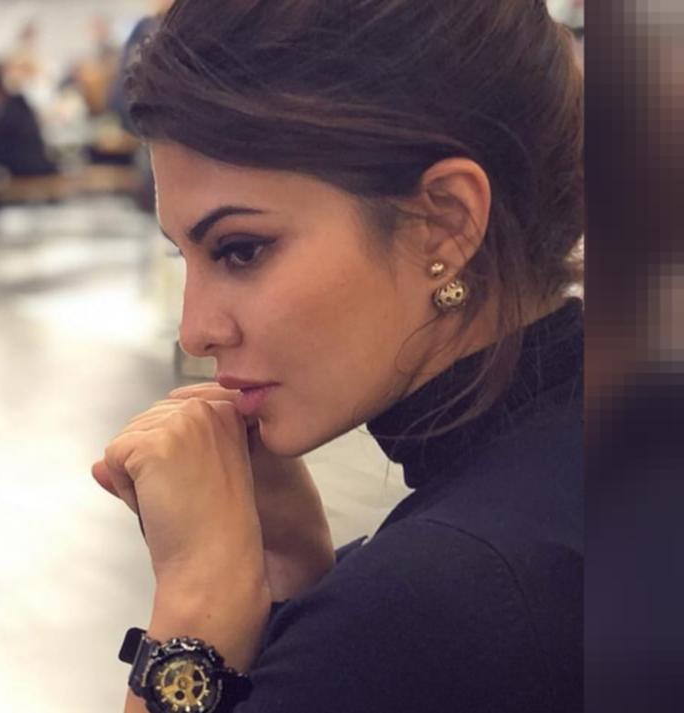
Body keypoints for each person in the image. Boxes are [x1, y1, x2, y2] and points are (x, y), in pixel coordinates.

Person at [90, 1, 583, 712]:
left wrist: (196, 610)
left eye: (240, 250)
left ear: (442, 224)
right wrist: (295, 582)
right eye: (184, 258)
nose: (195, 331)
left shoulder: (432, 604)